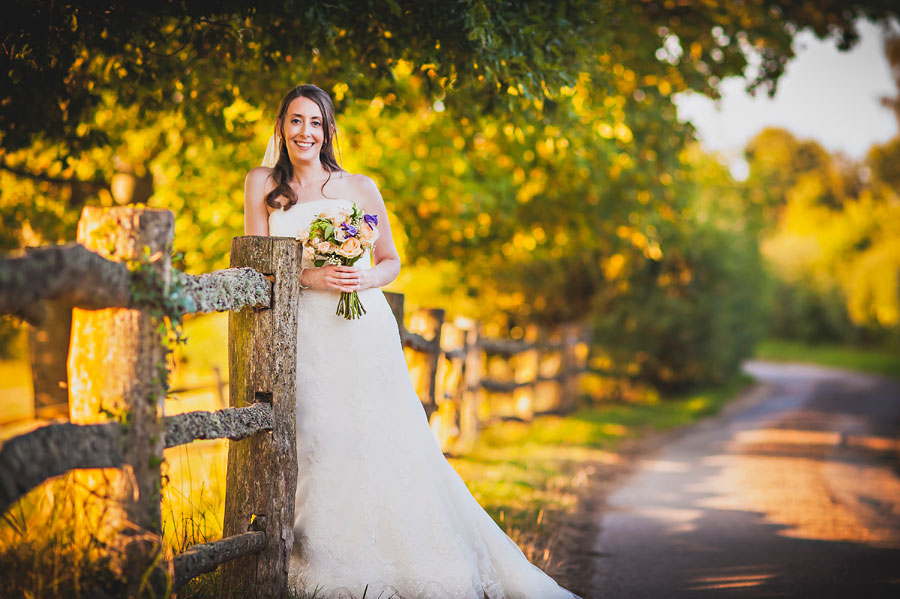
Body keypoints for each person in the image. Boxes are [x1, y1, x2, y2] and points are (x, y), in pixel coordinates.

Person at [244, 84, 579, 599]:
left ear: (329, 130)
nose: (304, 132)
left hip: (361, 329)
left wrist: (361, 280)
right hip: (303, 332)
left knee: (378, 437)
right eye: (295, 121)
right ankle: (315, 558)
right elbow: (255, 261)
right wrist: (309, 278)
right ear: (281, 127)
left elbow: (390, 261)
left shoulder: (358, 187)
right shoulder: (262, 183)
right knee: (317, 436)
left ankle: (394, 562)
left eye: (315, 122)